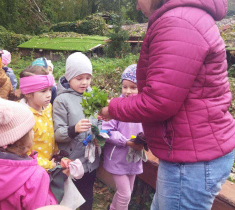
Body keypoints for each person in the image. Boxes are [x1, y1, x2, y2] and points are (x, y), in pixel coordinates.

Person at [99, 0, 235, 209]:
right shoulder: (184, 17)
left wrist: (113, 108)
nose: (136, 6)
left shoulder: (178, 22)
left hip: (191, 160)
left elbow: (159, 101)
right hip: (189, 151)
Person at [53, 52, 100, 210]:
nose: (84, 82)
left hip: (90, 161)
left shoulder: (92, 95)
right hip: (72, 161)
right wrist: (74, 130)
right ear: (68, 77)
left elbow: (95, 122)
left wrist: (100, 124)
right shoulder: (61, 100)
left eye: (88, 78)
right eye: (79, 78)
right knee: (69, 198)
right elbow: (58, 133)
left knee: (87, 195)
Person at [102, 64, 145, 210]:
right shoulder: (116, 107)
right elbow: (106, 131)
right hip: (118, 158)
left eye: (133, 87)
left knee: (127, 192)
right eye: (125, 87)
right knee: (125, 194)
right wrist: (126, 142)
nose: (128, 91)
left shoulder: (143, 108)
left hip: (134, 157)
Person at [19, 64, 58, 170]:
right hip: (35, 169)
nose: (49, 94)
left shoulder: (48, 108)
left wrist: (56, 151)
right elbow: (25, 154)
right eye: (43, 91)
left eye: (50, 89)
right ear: (27, 93)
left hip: (51, 161)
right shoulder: (24, 117)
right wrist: (48, 165)